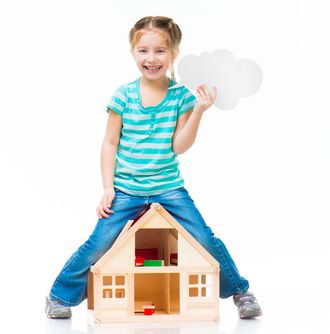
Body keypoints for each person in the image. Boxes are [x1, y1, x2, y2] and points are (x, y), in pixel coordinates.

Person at [45, 16, 262, 320]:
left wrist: (199, 111)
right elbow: (109, 144)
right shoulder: (123, 96)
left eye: (160, 51)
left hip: (168, 187)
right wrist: (108, 188)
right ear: (133, 53)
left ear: (173, 53)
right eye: (143, 51)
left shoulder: (180, 97)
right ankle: (59, 296)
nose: (151, 58)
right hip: (127, 189)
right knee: (100, 242)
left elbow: (179, 146)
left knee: (202, 236)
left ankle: (241, 291)